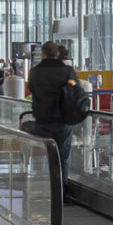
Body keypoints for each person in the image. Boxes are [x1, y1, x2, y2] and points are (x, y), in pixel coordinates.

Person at [27, 41, 86, 176]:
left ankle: (48, 189)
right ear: (57, 54)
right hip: (62, 121)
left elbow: (31, 89)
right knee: (62, 159)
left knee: (47, 156)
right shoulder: (67, 71)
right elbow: (77, 90)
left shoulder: (35, 72)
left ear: (43, 54)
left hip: (42, 121)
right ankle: (61, 191)